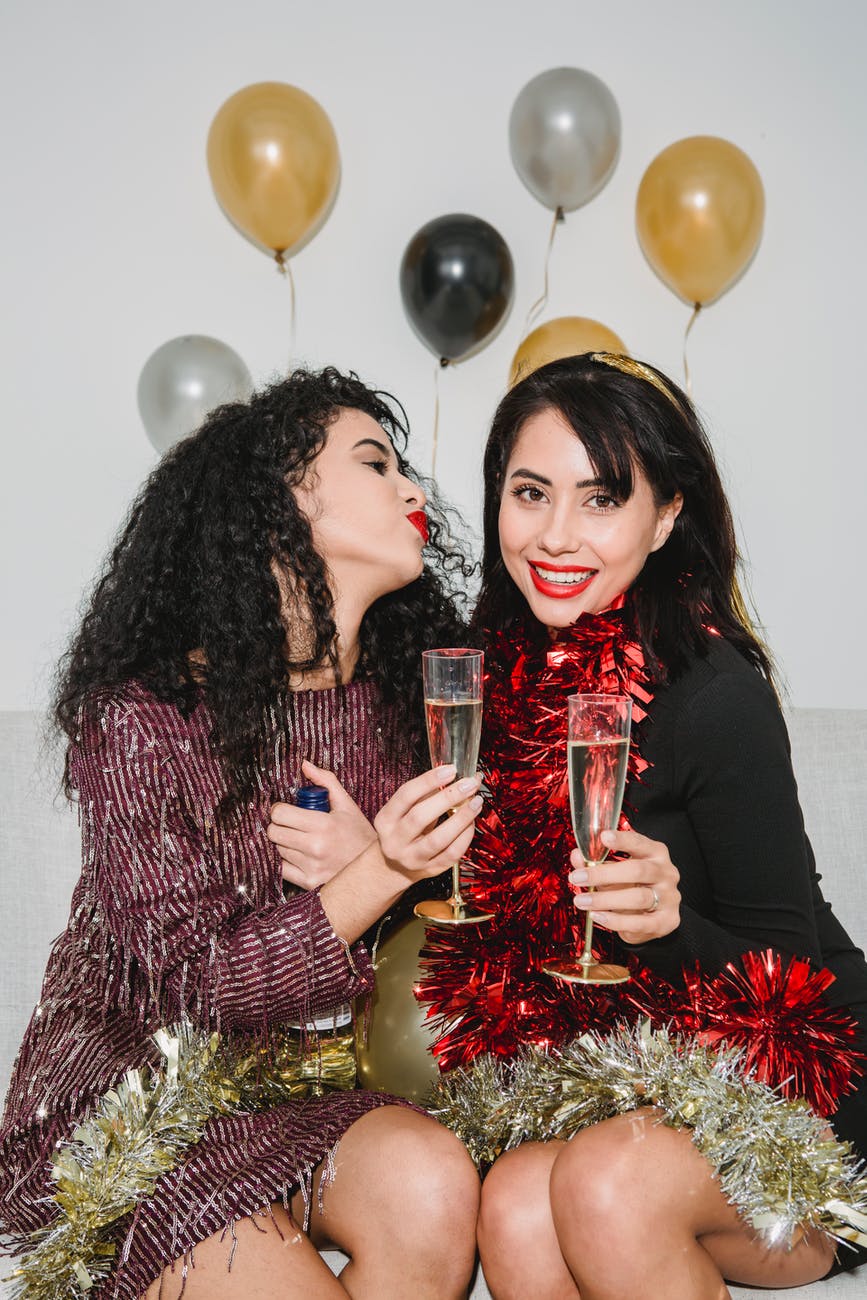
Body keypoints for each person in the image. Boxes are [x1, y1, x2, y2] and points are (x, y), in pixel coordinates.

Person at [0, 367, 482, 1300]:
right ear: (277, 510)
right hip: (132, 1115)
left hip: (312, 1098)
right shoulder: (143, 719)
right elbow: (194, 984)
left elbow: (467, 942)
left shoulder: (414, 705)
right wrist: (377, 871)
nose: (416, 491)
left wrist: (395, 876)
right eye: (376, 464)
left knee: (433, 1185)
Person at [419, 353, 867, 1298]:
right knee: (511, 1202)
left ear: (664, 518)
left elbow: (806, 1000)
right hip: (625, 1092)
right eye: (529, 492)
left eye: (600, 499)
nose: (554, 534)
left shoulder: (713, 695)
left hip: (805, 1099)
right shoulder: (476, 688)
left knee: (605, 1183)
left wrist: (667, 929)